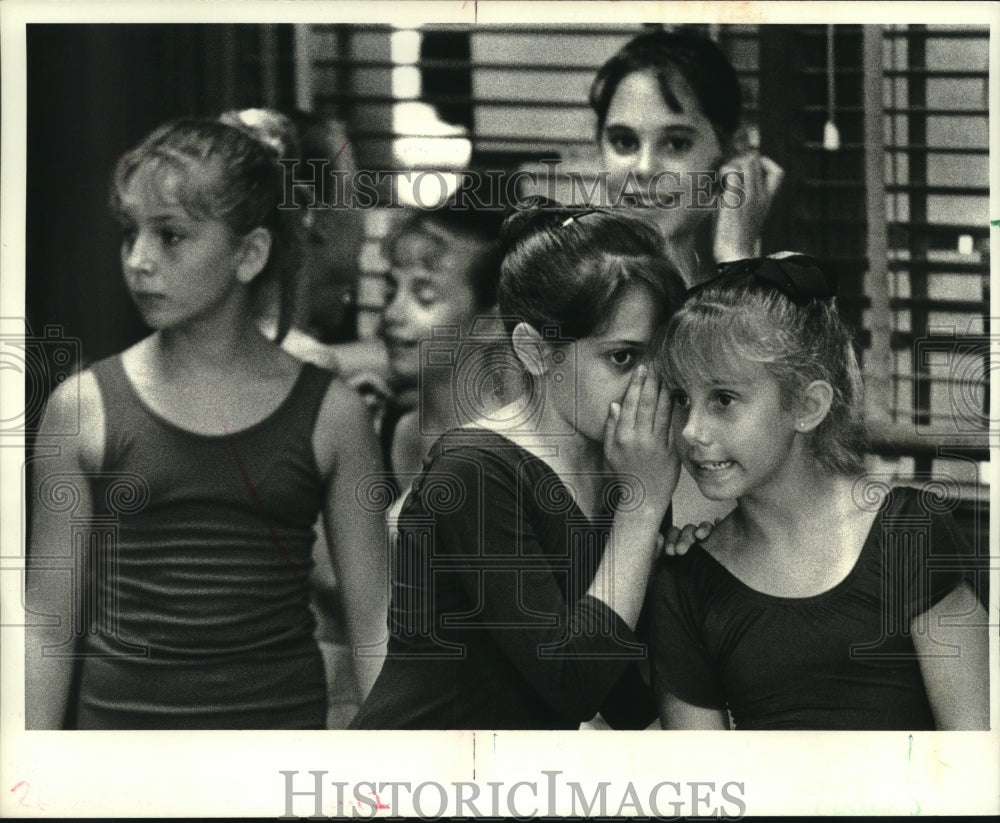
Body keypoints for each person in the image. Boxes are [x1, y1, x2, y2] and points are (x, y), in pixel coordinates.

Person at [25, 118, 388, 729]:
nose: (138, 260)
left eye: (170, 236)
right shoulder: (82, 406)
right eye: (129, 234)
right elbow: (44, 623)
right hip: (122, 761)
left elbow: (375, 620)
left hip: (275, 762)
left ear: (248, 254)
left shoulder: (332, 415)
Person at [350, 198, 708, 730]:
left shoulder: (619, 473)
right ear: (535, 351)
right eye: (623, 358)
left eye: (661, 362)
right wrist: (644, 509)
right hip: (410, 784)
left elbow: (628, 703)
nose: (648, 390)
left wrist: (679, 583)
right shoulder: (473, 468)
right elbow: (570, 682)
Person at [647, 252, 988, 730]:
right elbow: (708, 793)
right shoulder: (683, 582)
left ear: (807, 406)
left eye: (723, 399)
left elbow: (973, 759)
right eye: (682, 399)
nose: (691, 429)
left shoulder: (911, 531)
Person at [590, 27, 784, 283]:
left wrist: (736, 258)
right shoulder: (566, 293)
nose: (645, 168)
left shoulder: (786, 296)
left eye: (676, 143)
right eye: (624, 142)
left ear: (732, 150)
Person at [377, 200, 508, 510]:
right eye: (391, 290)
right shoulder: (378, 431)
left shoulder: (522, 455)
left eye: (425, 296)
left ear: (490, 325)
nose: (393, 313)